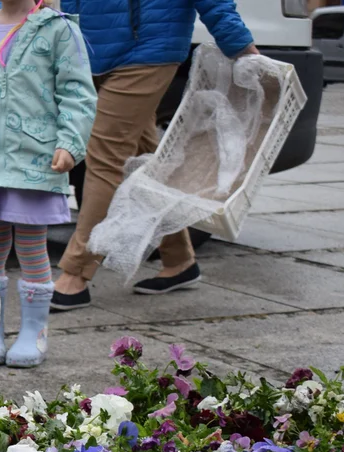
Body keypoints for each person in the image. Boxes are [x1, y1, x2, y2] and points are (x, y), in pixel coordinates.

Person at [51, 0, 258, 312]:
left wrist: (241, 46)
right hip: (87, 46)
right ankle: (179, 260)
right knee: (145, 162)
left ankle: (75, 273)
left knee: (105, 156)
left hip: (148, 47)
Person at [0, 0, 95, 368]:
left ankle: (34, 331)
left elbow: (77, 92)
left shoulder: (58, 29)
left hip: (35, 161)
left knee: (30, 245)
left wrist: (69, 143)